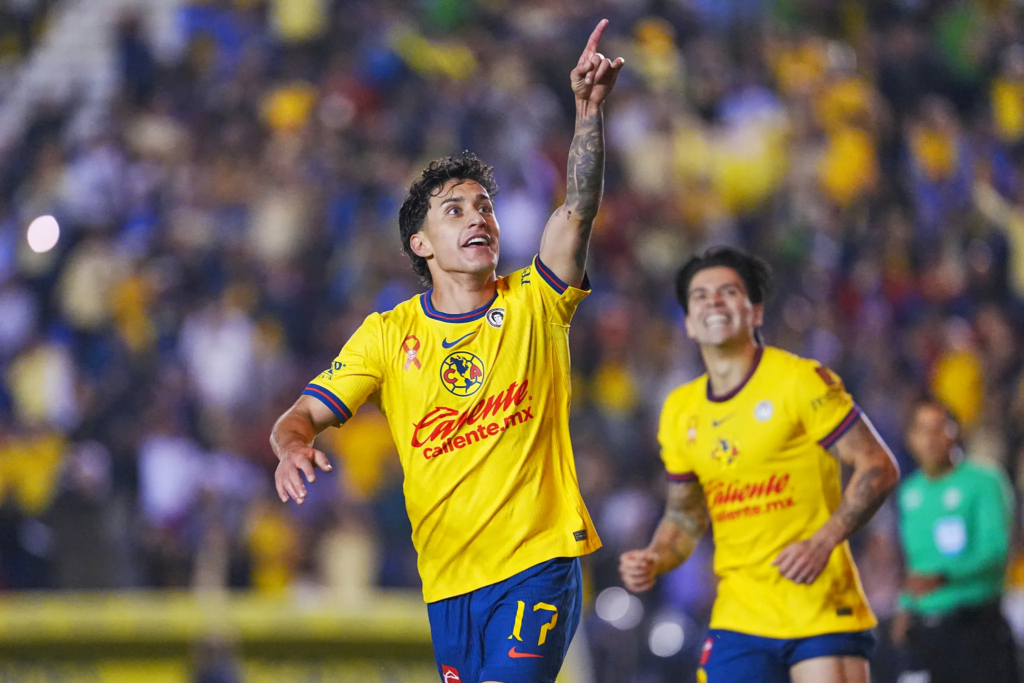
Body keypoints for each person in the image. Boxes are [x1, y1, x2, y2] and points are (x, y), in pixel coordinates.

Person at [270, 20, 624, 683]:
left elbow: (577, 208)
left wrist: (587, 112)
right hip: (449, 585)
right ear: (422, 244)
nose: (478, 216)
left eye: (484, 206)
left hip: (536, 564)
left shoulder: (536, 301)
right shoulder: (387, 334)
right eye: (455, 210)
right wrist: (292, 446)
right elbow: (300, 416)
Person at [619, 246, 901, 683]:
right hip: (739, 618)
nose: (713, 301)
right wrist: (655, 557)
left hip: (819, 607)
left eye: (728, 292)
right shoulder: (679, 410)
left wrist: (822, 542)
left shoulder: (800, 380)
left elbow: (878, 465)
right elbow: (685, 515)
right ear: (689, 323)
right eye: (700, 296)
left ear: (755, 312)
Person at [891, 398, 1018, 683]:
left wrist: (944, 577)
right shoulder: (909, 493)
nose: (930, 439)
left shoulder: (984, 481)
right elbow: (915, 563)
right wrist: (905, 605)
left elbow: (995, 551)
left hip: (977, 625)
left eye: (939, 428)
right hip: (926, 629)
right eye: (921, 430)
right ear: (909, 439)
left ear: (955, 431)